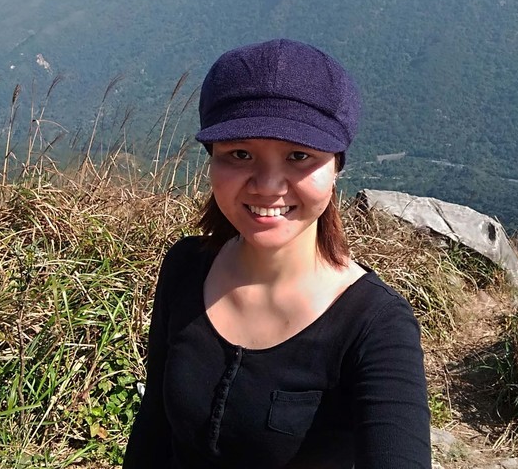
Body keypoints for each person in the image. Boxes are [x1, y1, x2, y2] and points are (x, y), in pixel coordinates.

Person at [124, 38, 431, 468]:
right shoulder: (186, 267)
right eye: (240, 154)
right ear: (212, 159)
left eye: (299, 155)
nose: (268, 185)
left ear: (336, 167)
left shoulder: (375, 326)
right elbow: (154, 427)